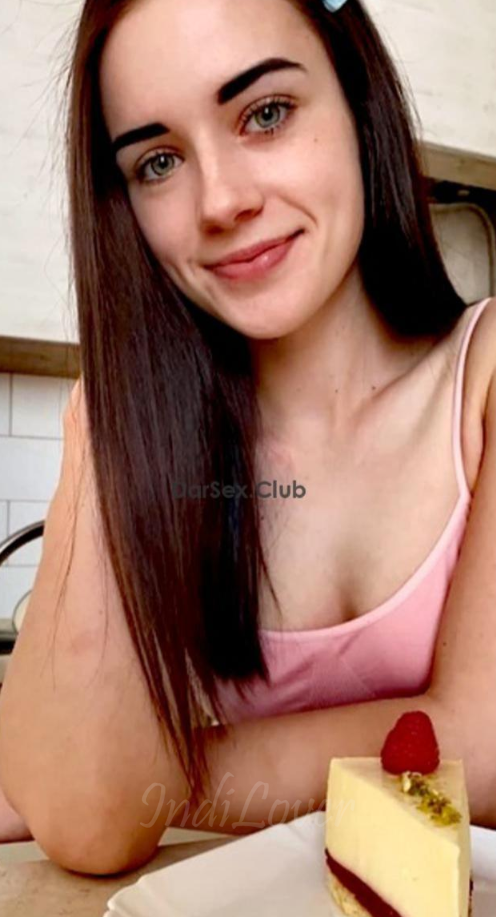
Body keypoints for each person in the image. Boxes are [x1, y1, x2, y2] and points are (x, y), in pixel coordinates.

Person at [1, 0, 496, 875]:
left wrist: (150, 779)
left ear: (358, 98)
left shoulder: (483, 377)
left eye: (266, 113)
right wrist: (107, 396)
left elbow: (481, 747)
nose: (222, 202)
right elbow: (86, 821)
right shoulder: (152, 446)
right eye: (158, 162)